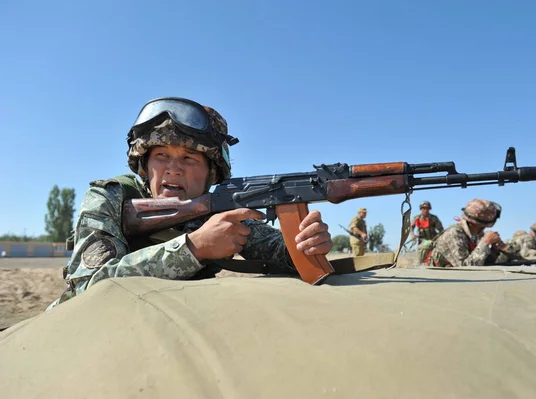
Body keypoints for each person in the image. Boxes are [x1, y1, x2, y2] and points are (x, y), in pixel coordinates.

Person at [48, 97, 332, 308]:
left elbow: (278, 251)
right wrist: (194, 247)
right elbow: (87, 288)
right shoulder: (111, 198)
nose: (174, 169)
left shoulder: (218, 209)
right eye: (162, 156)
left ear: (212, 173)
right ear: (145, 165)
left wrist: (306, 243)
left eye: (189, 158)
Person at [424, 199, 504, 267]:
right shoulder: (454, 233)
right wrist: (485, 243)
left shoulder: (475, 234)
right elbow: (465, 267)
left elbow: (480, 262)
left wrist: (494, 250)